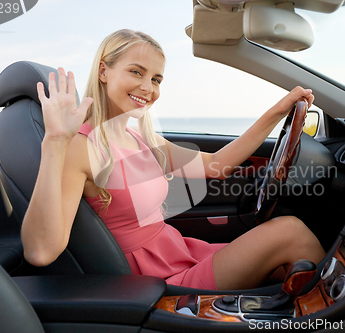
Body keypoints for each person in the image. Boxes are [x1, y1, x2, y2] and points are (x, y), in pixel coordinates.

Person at [21, 29, 325, 291]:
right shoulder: (82, 147)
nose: (148, 88)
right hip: (157, 281)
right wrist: (55, 142)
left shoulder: (139, 138)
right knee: (290, 232)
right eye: (136, 72)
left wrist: (277, 111)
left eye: (156, 79)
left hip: (182, 254)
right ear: (103, 71)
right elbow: (41, 251)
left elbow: (217, 165)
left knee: (289, 269)